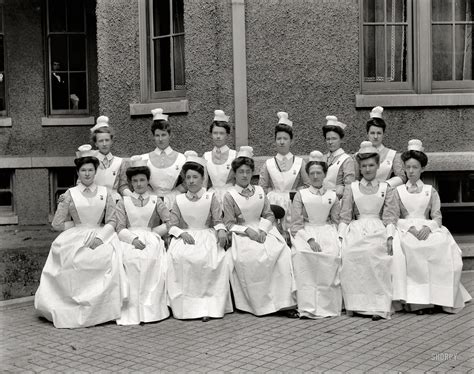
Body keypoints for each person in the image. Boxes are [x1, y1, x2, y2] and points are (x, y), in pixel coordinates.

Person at [35, 145, 125, 328]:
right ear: (78, 172)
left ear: (95, 171)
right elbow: (57, 224)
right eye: (83, 170)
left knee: (105, 258)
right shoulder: (70, 194)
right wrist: (75, 227)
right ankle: (73, 307)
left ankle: (101, 310)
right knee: (72, 260)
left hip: (101, 234)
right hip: (76, 234)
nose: (87, 174)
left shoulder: (105, 193)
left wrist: (101, 237)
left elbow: (112, 221)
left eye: (90, 170)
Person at [391, 139, 471, 314]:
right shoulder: (398, 192)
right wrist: (409, 228)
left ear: (422, 169)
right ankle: (417, 302)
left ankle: (439, 299)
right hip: (407, 229)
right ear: (404, 168)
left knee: (440, 246)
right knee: (410, 249)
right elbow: (394, 216)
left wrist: (430, 228)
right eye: (408, 167)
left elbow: (436, 215)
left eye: (415, 167)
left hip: (427, 228)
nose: (411, 171)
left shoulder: (430, 190)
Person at [223, 146, 297, 317]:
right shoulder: (230, 195)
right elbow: (228, 223)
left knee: (281, 253)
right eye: (240, 171)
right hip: (242, 233)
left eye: (248, 171)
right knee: (251, 257)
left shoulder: (260, 191)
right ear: (235, 173)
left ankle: (284, 303)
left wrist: (263, 229)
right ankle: (259, 303)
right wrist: (247, 231)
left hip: (264, 229)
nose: (244, 175)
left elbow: (269, 214)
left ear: (252, 173)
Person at [167, 151, 233, 322]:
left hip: (206, 235)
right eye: (188, 177)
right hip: (187, 235)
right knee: (180, 257)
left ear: (202, 178)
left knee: (209, 259)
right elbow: (172, 225)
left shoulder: (210, 197)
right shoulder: (179, 199)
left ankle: (208, 306)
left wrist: (220, 230)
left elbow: (218, 219)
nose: (191, 181)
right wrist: (181, 233)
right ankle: (187, 307)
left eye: (195, 177)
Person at [338, 141, 397, 320]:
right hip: (357, 228)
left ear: (378, 166)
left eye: (371, 165)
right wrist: (340, 238)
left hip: (378, 228)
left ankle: (378, 306)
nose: (368, 169)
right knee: (350, 254)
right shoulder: (352, 188)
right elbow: (345, 216)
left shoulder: (386, 188)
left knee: (375, 255)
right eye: (364, 166)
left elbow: (390, 216)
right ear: (360, 167)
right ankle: (354, 304)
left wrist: (390, 236)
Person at [114, 156, 171, 325]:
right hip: (128, 238)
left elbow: (170, 222)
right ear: (130, 183)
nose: (139, 184)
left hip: (151, 237)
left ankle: (149, 309)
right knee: (130, 260)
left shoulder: (156, 201)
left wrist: (155, 232)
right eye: (135, 181)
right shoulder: (123, 202)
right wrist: (132, 239)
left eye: (142, 180)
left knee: (150, 259)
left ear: (148, 181)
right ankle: (131, 309)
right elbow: (119, 228)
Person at [291, 151, 342, 318]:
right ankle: (308, 306)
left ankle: (327, 306)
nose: (314, 176)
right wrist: (310, 239)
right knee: (303, 255)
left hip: (327, 231)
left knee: (332, 255)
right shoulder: (301, 195)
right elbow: (296, 224)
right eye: (311, 173)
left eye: (318, 172)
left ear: (325, 174)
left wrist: (337, 238)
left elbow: (336, 220)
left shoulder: (332, 195)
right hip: (305, 232)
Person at [119, 108, 186, 209]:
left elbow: (189, 180)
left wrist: (176, 192)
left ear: (170, 135)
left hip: (174, 203)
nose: (160, 139)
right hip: (150, 203)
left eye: (163, 135)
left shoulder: (181, 158)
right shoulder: (144, 158)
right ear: (153, 136)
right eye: (157, 135)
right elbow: (128, 182)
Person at [259, 112, 309, 229]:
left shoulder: (300, 163)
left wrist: (296, 193)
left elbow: (308, 186)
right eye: (279, 138)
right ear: (275, 140)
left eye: (285, 139)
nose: (282, 142)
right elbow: (262, 188)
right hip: (273, 203)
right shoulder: (268, 163)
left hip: (293, 202)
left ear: (291, 141)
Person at [354, 106, 406, 187]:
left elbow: (402, 177)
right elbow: (355, 178)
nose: (375, 136)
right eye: (372, 133)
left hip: (384, 193)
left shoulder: (392, 155)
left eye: (379, 133)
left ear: (383, 134)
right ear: (367, 134)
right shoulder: (359, 154)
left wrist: (386, 185)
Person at [203, 110, 236, 205]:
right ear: (211, 134)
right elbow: (204, 183)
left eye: (221, 133)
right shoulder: (206, 156)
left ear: (227, 135)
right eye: (215, 133)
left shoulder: (234, 155)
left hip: (231, 196)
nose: (218, 136)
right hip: (212, 196)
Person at [90, 116, 124, 202]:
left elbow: (123, 186)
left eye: (107, 140)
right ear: (96, 143)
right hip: (95, 201)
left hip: (114, 202)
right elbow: (81, 184)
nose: (104, 144)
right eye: (101, 141)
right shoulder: (90, 161)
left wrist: (132, 196)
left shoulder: (119, 162)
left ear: (111, 141)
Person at [322, 115, 355, 199]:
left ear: (341, 139)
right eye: (328, 139)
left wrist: (342, 188)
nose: (330, 142)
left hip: (338, 201)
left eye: (334, 138)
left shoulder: (347, 160)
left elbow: (349, 186)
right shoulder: (323, 158)